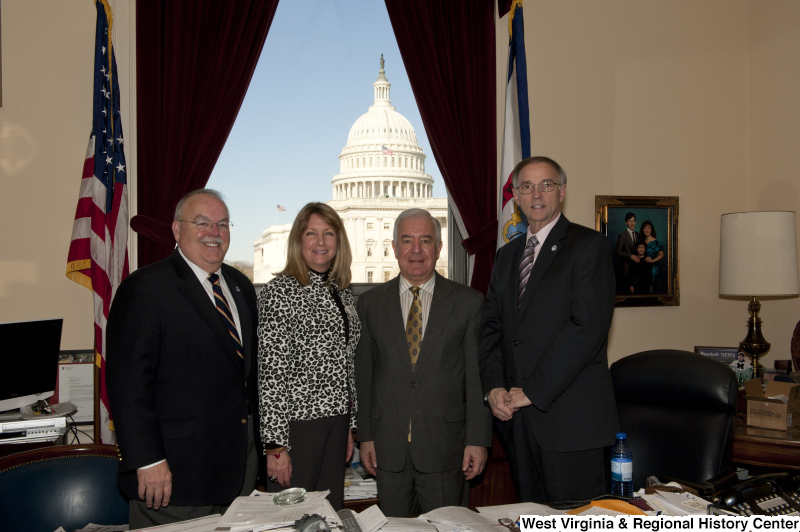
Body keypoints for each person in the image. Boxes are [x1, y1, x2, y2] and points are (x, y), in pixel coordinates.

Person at [107, 189, 260, 529]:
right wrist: (147, 461)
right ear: (177, 230)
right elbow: (128, 386)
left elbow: (245, 378)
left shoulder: (240, 286)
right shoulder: (145, 289)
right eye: (202, 222)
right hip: (174, 477)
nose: (214, 232)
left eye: (222, 224)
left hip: (238, 472)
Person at [479, 156, 618, 504]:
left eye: (546, 185)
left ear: (562, 192)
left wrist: (533, 390)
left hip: (570, 423)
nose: (536, 194)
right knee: (534, 520)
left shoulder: (589, 246)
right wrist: (494, 387)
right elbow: (492, 329)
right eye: (526, 186)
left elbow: (586, 329)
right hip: (518, 422)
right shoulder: (507, 256)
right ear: (518, 197)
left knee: (575, 521)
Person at [355, 208, 491, 517]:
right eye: (407, 240)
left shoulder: (468, 303)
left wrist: (478, 441)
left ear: (439, 248)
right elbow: (364, 377)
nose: (416, 250)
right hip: (388, 450)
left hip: (447, 450)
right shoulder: (370, 304)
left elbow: (476, 378)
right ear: (394, 248)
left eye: (425, 240)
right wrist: (365, 436)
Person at [256, 202, 360, 510]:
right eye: (311, 233)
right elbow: (271, 372)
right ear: (298, 240)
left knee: (328, 512)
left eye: (329, 233)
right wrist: (275, 446)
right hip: (297, 426)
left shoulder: (341, 291)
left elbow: (347, 363)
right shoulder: (280, 291)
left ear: (338, 241)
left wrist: (350, 427)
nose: (320, 242)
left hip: (337, 422)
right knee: (292, 515)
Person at [615, 212, 642, 294]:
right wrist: (630, 256)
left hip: (637, 269)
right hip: (627, 269)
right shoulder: (622, 235)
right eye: (630, 221)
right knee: (627, 293)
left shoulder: (638, 235)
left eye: (633, 221)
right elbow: (618, 252)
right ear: (626, 223)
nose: (632, 223)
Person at [640, 220, 665, 293]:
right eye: (645, 228)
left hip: (653, 269)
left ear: (651, 229)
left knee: (653, 290)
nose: (647, 230)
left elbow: (662, 254)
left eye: (649, 228)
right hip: (643, 267)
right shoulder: (641, 240)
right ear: (642, 229)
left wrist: (653, 260)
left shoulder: (656, 241)